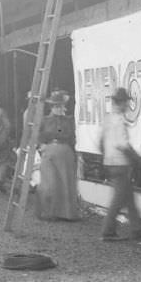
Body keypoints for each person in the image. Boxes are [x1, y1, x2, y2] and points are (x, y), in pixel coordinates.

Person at [100, 88, 141, 241]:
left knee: (128, 197)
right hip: (119, 162)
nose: (127, 104)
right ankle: (108, 231)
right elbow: (122, 144)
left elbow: (101, 142)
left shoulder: (108, 119)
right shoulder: (119, 120)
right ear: (121, 103)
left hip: (110, 161)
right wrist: (137, 159)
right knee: (119, 198)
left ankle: (137, 229)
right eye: (126, 101)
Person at [36, 90, 81, 221]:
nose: (59, 108)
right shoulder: (44, 120)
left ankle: (66, 214)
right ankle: (49, 212)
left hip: (65, 152)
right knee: (49, 182)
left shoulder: (69, 121)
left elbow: (72, 136)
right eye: (56, 106)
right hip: (49, 151)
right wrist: (41, 146)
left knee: (65, 182)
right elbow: (37, 136)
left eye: (61, 105)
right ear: (52, 107)